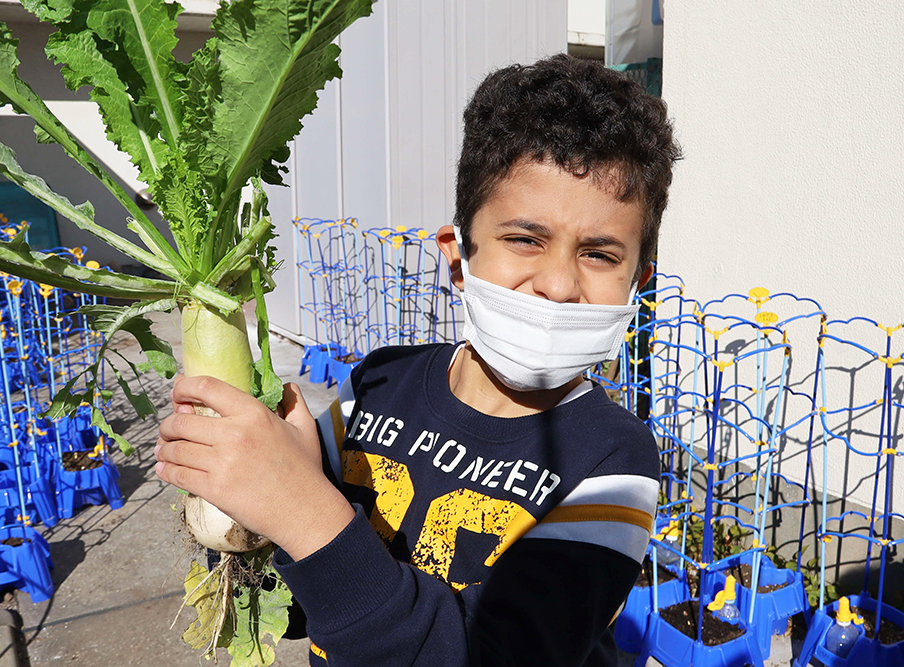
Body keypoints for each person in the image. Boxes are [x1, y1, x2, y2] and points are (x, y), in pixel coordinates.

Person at [155, 53, 681, 666]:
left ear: (637, 280)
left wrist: (303, 510)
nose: (560, 284)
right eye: (524, 239)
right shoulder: (377, 386)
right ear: (457, 257)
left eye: (598, 254)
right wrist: (255, 498)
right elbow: (308, 608)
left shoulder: (616, 463)